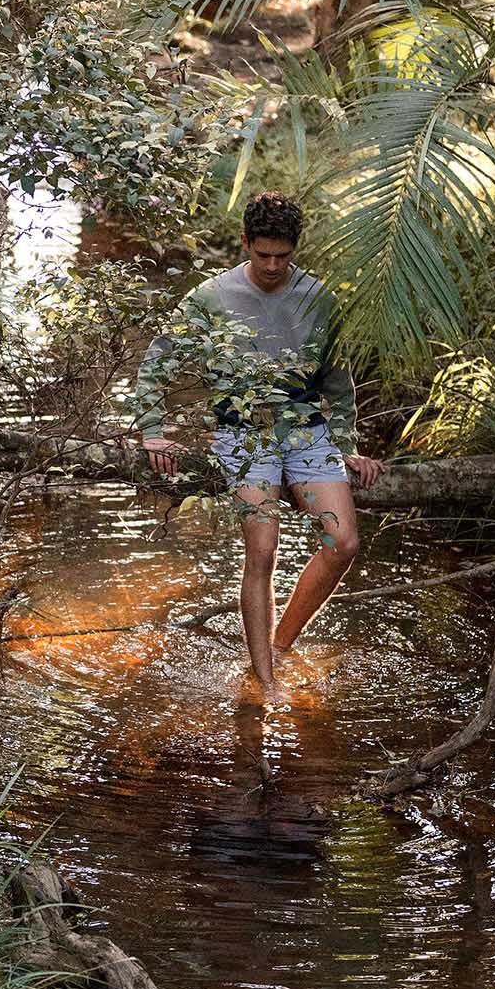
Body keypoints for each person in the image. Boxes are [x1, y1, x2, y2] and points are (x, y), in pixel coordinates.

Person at [143, 192, 386, 694]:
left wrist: (347, 443)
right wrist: (153, 431)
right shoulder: (210, 298)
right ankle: (266, 682)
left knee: (342, 543)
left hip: (306, 432)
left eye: (283, 255)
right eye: (263, 254)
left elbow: (338, 382)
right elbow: (156, 367)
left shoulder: (318, 297)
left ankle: (279, 646)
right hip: (243, 432)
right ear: (245, 244)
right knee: (263, 548)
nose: (274, 265)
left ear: (295, 247)